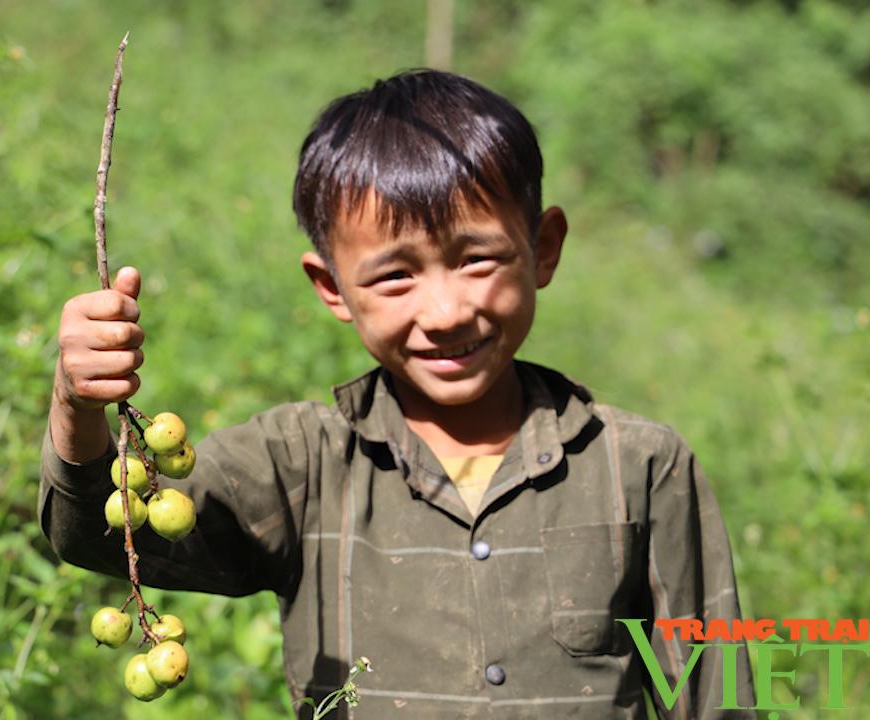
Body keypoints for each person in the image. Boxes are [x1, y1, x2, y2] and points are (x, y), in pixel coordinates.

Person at [40, 69, 754, 718]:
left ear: (546, 247)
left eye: (477, 259)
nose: (444, 312)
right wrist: (80, 404)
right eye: (395, 277)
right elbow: (105, 535)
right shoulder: (303, 463)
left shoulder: (642, 467)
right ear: (332, 289)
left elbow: (715, 695)